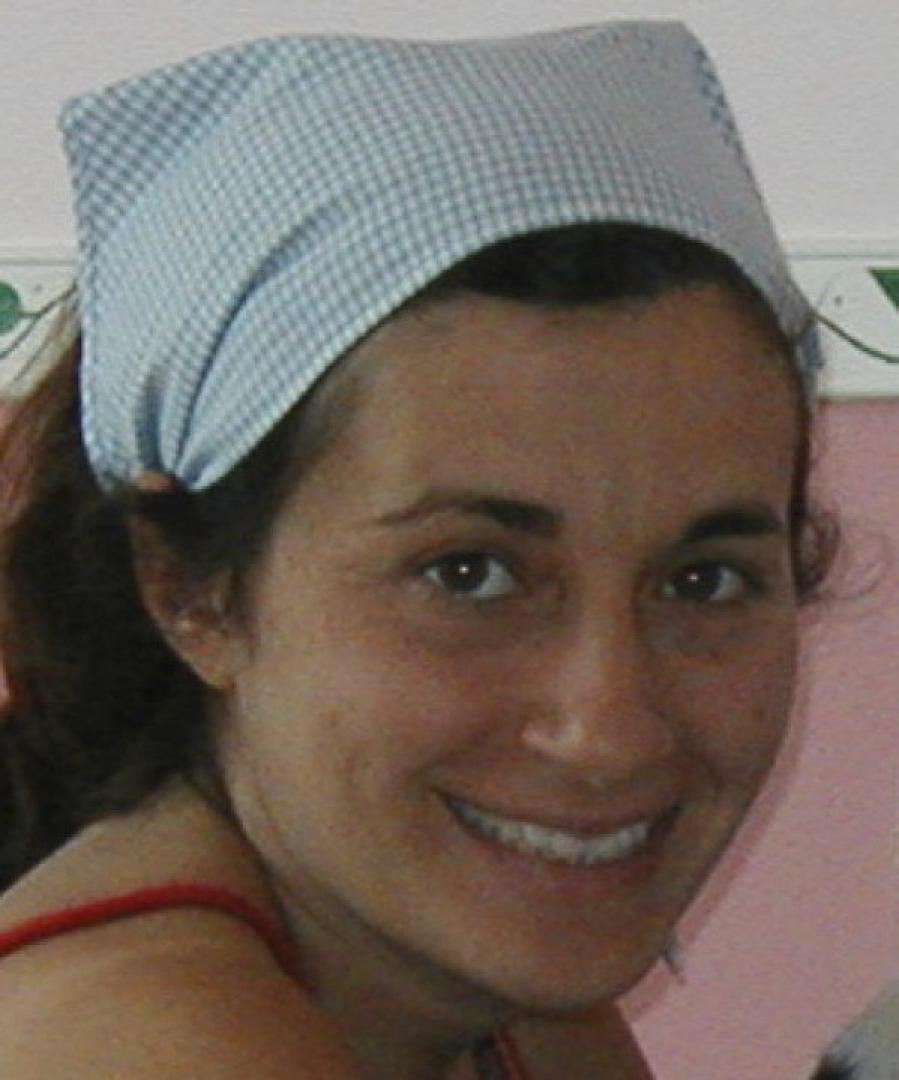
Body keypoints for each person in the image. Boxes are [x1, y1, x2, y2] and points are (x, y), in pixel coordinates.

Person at [0, 21, 834, 1079]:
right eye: (468, 574)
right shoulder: (149, 1047)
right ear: (189, 587)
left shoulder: (505, 1007)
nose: (607, 732)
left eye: (702, 581)